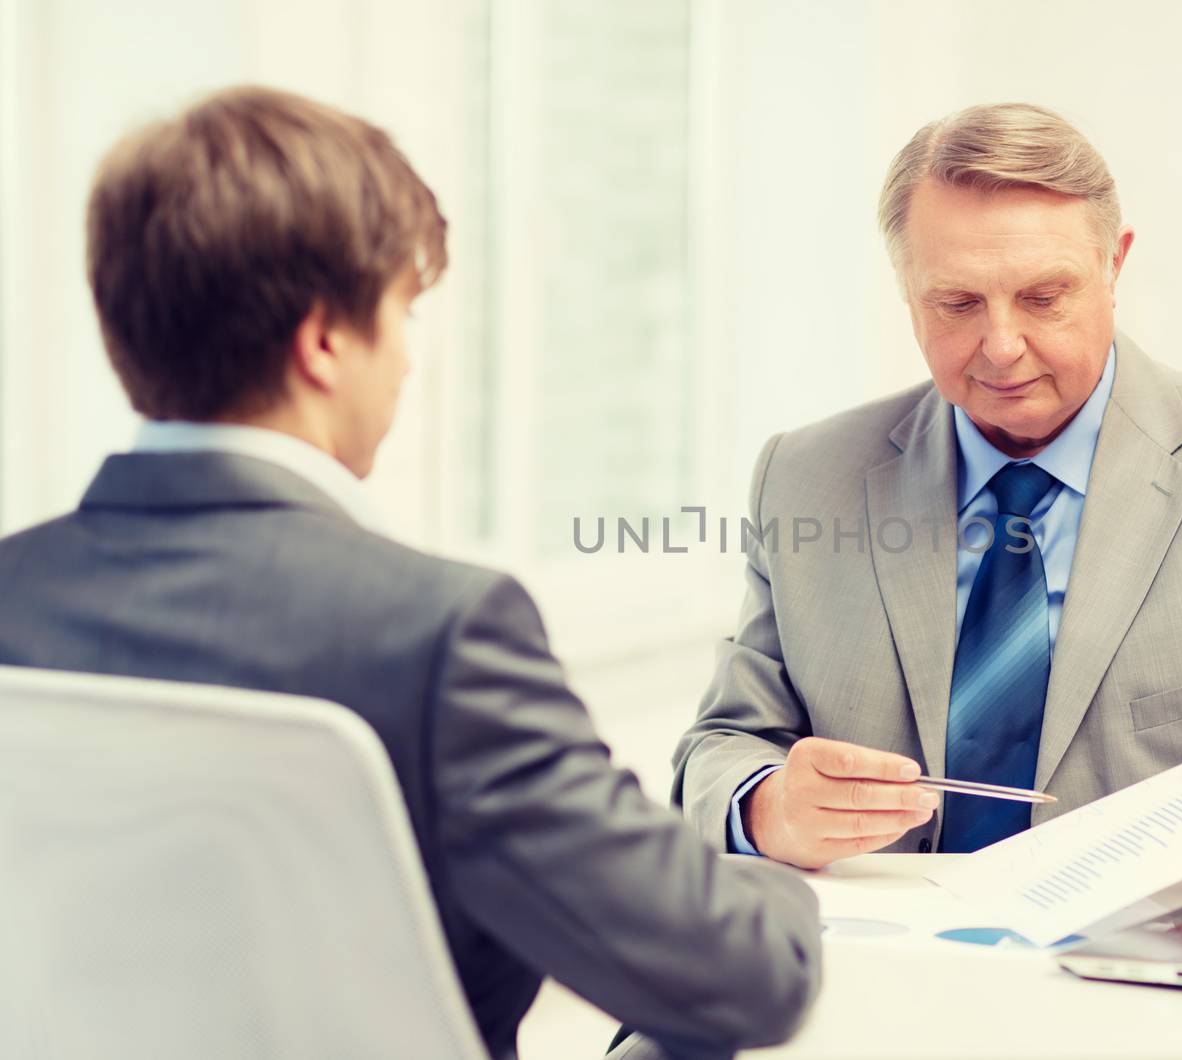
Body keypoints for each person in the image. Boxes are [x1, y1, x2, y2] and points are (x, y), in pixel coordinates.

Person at [0, 85, 819, 1060]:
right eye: (401, 311)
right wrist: (781, 882)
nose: (405, 364)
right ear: (325, 341)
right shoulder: (439, 635)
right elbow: (740, 978)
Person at [672, 102, 1182, 885]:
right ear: (905, 289)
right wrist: (766, 805)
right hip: (878, 976)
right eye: (955, 303)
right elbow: (721, 745)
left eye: (1043, 297)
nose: (1001, 347)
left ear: (1114, 265)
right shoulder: (808, 475)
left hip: (1164, 989)